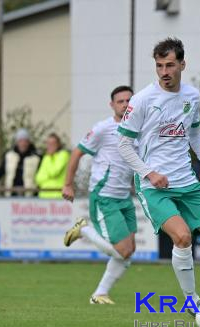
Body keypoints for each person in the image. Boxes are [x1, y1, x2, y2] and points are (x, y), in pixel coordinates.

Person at [116, 37, 200, 327]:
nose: (164, 71)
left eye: (170, 65)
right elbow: (123, 144)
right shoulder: (141, 100)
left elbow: (194, 133)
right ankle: (192, 303)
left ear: (182, 65)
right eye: (159, 66)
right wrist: (149, 173)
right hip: (155, 186)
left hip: (187, 182)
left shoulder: (192, 95)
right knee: (182, 236)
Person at [62, 85, 137, 305]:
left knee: (128, 251)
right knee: (122, 250)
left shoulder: (138, 128)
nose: (124, 104)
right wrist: (68, 184)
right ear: (112, 105)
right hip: (104, 196)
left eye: (128, 101)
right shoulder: (103, 128)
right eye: (120, 101)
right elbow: (77, 152)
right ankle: (83, 230)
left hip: (125, 197)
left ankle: (100, 294)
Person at [0, 129, 41, 197]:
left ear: (29, 142)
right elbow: (0, 171)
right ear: (17, 142)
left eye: (25, 141)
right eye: (20, 141)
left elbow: (41, 176)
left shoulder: (36, 158)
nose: (23, 144)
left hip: (29, 195)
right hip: (11, 194)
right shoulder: (9, 156)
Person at [35, 133, 70, 198]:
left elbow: (53, 172)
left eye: (52, 143)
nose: (49, 146)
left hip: (57, 196)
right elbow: (38, 178)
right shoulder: (47, 157)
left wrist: (48, 157)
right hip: (44, 195)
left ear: (58, 144)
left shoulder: (63, 154)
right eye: (48, 143)